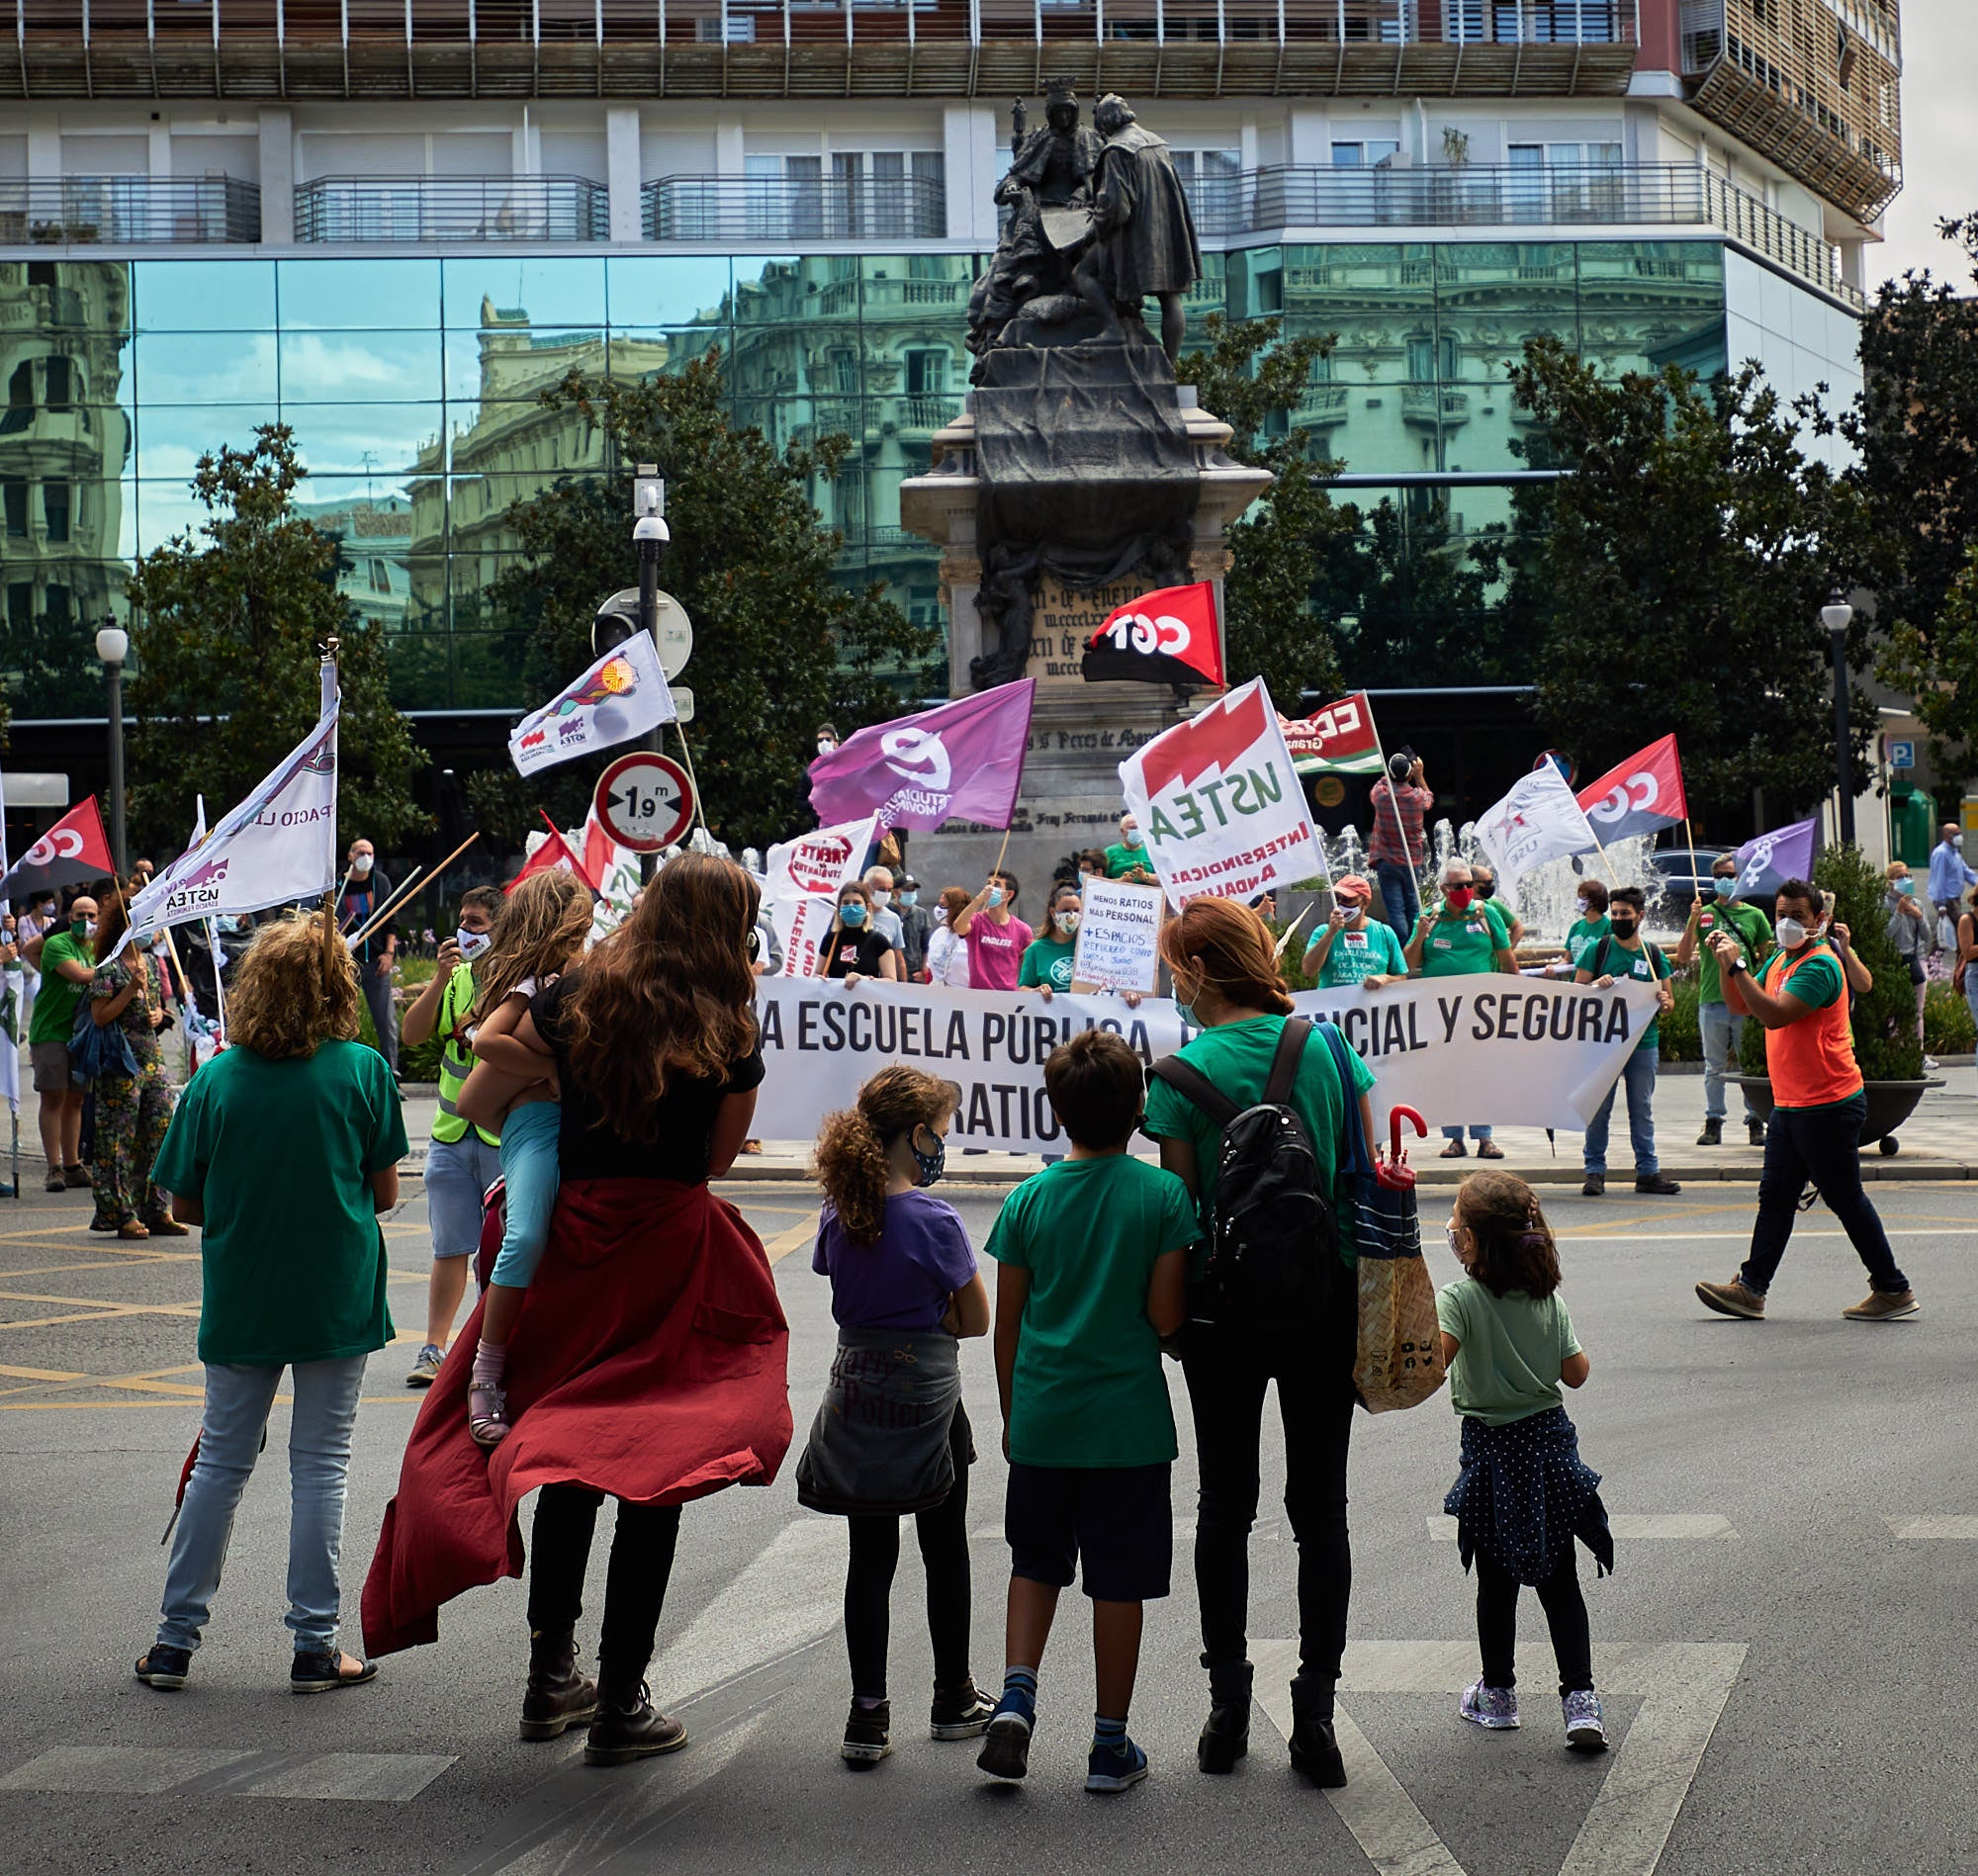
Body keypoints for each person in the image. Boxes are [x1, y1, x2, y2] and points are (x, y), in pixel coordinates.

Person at [363, 854, 791, 1766]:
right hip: (666, 1250)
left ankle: (550, 1673)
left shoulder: (573, 995)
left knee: (569, 1453)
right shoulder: (728, 1023)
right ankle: (621, 1695)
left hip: (574, 1241)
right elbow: (715, 1163)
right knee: (656, 1466)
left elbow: (482, 1064)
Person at [135, 913, 407, 1697]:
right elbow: (384, 1191)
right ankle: (315, 1646)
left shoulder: (219, 1075)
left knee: (220, 1463)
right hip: (335, 1292)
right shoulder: (361, 1069)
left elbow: (184, 1202)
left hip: (244, 1291)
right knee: (321, 1464)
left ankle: (174, 1640)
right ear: (336, 989)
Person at [1140, 898, 1377, 1789]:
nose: (1173, 983)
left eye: (1176, 966)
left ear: (1201, 969)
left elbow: (1181, 1213)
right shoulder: (1324, 1046)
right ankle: (1315, 1712)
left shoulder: (1175, 1076)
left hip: (1222, 1317)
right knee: (1322, 1511)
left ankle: (1226, 1706)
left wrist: (1173, 1321)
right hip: (1324, 1303)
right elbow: (1361, 1177)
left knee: (1224, 1506)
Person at [977, 1030, 1195, 1792]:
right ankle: (1109, 1744)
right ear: (1139, 1107)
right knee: (1118, 1582)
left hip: (1042, 1417)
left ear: (1055, 1109)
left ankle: (1015, 1694)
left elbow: (1009, 1324)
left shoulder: (1028, 1198)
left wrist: (1013, 1415)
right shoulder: (1163, 1196)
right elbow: (1166, 1316)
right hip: (1127, 1427)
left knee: (1034, 1564)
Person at [799, 1068, 993, 1764]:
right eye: (941, 1133)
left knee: (869, 1558)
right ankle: (953, 1695)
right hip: (931, 1407)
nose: (943, 1145)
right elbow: (975, 1316)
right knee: (946, 1549)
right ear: (915, 1134)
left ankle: (867, 1713)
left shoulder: (837, 1210)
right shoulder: (934, 1219)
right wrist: (933, 1312)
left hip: (856, 1401)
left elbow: (837, 1278)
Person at [1437, 1171, 1612, 1751]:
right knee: (1561, 1582)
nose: (1453, 1231)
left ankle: (1500, 1694)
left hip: (1491, 1452)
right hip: (1551, 1447)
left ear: (1476, 1241)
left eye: (1459, 1224)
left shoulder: (1460, 1299)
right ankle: (1580, 1702)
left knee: (1497, 1581)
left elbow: (1436, 1361)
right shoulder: (1547, 1298)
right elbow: (1576, 1373)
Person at [1696, 877, 1919, 1323]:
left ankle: (1893, 1288)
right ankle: (1751, 1288)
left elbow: (1775, 1016)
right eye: (1781, 914)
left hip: (1828, 1105)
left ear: (1819, 920)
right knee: (1776, 1196)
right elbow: (1741, 1005)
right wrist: (1726, 964)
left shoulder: (1819, 966)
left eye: (1797, 915)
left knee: (1845, 1197)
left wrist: (1738, 965)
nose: (1786, 923)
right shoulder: (1780, 959)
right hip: (1792, 1104)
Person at [449, 871, 594, 1448]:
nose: (589, 922)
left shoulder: (574, 973)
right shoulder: (534, 980)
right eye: (581, 913)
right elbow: (483, 1040)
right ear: (558, 920)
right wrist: (544, 1070)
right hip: (537, 1125)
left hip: (565, 1125)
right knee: (529, 1236)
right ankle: (486, 1372)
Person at [399, 886, 505, 1387]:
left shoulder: (515, 982)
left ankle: (489, 1348)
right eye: (463, 920)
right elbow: (412, 1034)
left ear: (500, 929)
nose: (465, 930)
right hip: (450, 1135)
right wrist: (440, 977)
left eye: (477, 922)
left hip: (500, 1137)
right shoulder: (457, 979)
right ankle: (434, 1348)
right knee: (449, 1249)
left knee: (499, 1248)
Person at [1573, 886, 1679, 1198]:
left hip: (1642, 1043)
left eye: (1625, 914)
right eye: (1615, 913)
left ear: (1640, 916)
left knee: (1641, 1108)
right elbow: (1575, 993)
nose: (1618, 919)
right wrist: (1596, 984)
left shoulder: (1653, 954)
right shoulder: (1598, 949)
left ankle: (1648, 1171)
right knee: (1598, 1110)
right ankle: (1594, 1172)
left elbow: (1670, 1003)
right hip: (1603, 1044)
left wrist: (1663, 1001)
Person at [87, 888, 180, 1240]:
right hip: (120, 1062)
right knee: (117, 1138)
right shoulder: (107, 967)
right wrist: (130, 990)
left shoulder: (149, 962)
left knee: (158, 1128)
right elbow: (100, 1017)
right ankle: (120, 1211)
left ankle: (155, 1207)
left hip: (151, 1059)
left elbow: (153, 1011)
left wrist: (160, 1015)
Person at [1407, 858, 1514, 1159]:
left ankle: (1485, 1138)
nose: (1466, 890)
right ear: (1443, 888)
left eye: (1469, 884)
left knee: (1480, 1074)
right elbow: (1408, 965)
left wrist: (1520, 997)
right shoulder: (1429, 917)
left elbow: (1508, 960)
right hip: (1439, 1012)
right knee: (1448, 1075)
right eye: (1459, 886)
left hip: (1481, 1012)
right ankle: (1454, 1138)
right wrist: (1420, 934)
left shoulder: (1487, 914)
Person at [1673, 856, 1772, 1146]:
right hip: (1712, 999)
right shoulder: (1704, 914)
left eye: (1729, 874)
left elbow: (1763, 959)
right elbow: (1682, 956)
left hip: (1746, 1001)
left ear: (1740, 877)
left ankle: (1755, 1120)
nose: (1724, 879)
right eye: (1719, 875)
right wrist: (1692, 920)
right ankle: (1713, 1120)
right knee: (1713, 1067)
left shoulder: (1755, 916)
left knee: (1748, 1064)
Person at [23, 889, 96, 1193]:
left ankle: (72, 1164)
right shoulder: (56, 944)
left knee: (76, 1099)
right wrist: (113, 971)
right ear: (69, 918)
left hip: (79, 1035)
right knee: (54, 1097)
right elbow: (79, 975)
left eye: (92, 916)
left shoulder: (97, 948)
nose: (87, 921)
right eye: (80, 915)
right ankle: (53, 1167)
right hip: (51, 1032)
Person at [336, 840, 401, 1075]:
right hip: (346, 964)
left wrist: (388, 953)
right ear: (351, 855)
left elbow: (392, 921)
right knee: (343, 1020)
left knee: (386, 1022)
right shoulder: (337, 885)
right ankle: (345, 1074)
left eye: (370, 853)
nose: (366, 857)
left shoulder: (380, 882)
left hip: (376, 962)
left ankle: (391, 1075)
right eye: (361, 852)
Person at [1302, 873, 1408, 989]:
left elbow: (1402, 978)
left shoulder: (1385, 933)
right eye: (1337, 898)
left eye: (1347, 900)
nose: (1341, 904)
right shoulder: (1322, 931)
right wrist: (1330, 934)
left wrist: (1386, 979)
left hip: (1370, 1005)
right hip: (1333, 1005)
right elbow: (1308, 970)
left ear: (1365, 903)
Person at [1368, 751, 1433, 938]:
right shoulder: (1417, 797)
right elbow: (1429, 798)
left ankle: (1403, 953)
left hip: (1387, 861)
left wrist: (1394, 770)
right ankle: (1415, 949)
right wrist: (1419, 776)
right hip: (1412, 862)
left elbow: (1382, 782)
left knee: (1395, 910)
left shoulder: (1380, 795)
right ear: (1409, 774)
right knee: (1414, 909)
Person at [1882, 859, 1936, 1069]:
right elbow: (1885, 935)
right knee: (1893, 1012)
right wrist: (1899, 912)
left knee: (1917, 1011)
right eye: (1899, 877)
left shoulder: (1917, 903)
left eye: (1907, 876)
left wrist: (1919, 916)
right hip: (1892, 961)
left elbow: (1926, 935)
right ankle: (1894, 1053)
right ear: (1890, 882)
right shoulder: (1885, 904)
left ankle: (1918, 1054)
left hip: (1914, 958)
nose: (1905, 880)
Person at [951, 870, 1033, 993]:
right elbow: (958, 927)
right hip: (979, 997)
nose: (989, 888)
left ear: (1009, 894)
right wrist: (978, 900)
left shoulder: (1023, 930)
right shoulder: (976, 921)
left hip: (1007, 997)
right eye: (988, 883)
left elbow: (1027, 966)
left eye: (996, 885)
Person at [825, 882, 902, 984]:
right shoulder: (831, 938)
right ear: (839, 907)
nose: (851, 907)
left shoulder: (879, 941)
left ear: (867, 907)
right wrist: (819, 979)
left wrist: (864, 979)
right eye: (846, 902)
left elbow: (891, 981)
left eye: (857, 903)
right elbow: (818, 974)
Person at [1020, 883, 1083, 998]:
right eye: (1065, 911)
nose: (1071, 915)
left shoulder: (1087, 946)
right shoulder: (1036, 949)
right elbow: (1023, 989)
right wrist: (1036, 991)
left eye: (1076, 910)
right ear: (1053, 912)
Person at [1549, 878, 1611, 980]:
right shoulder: (1576, 927)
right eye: (1579, 897)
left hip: (1596, 984)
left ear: (1595, 900)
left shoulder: (1609, 927)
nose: (1579, 901)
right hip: (1575, 983)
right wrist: (1554, 969)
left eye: (1583, 897)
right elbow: (1567, 959)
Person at [1927, 823, 1976, 936]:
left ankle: (1936, 953)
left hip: (1954, 898)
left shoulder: (1954, 852)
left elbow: (1966, 871)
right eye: (1956, 834)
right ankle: (1964, 952)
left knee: (1945, 931)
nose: (1960, 836)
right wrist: (1941, 904)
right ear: (1947, 835)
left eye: (1960, 833)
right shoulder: (1941, 853)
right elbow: (1938, 879)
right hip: (1947, 899)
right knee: (1960, 929)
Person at [926, 887, 973, 989]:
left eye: (943, 905)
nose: (938, 909)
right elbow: (931, 969)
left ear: (955, 908)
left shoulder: (971, 936)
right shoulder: (939, 934)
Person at [1470, 863, 1524, 951]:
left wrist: (1507, 952)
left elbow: (1518, 927)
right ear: (1472, 883)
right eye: (1487, 883)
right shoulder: (1456, 906)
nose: (1491, 886)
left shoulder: (1493, 903)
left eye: (1492, 881)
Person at [894, 874, 932, 979]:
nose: (910, 893)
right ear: (896, 892)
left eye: (913, 890)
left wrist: (924, 970)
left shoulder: (921, 913)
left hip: (915, 973)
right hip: (892, 971)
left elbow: (926, 945)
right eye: (906, 890)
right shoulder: (888, 912)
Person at [862, 865, 907, 955]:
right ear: (867, 887)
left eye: (889, 890)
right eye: (882, 889)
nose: (886, 893)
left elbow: (898, 955)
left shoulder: (893, 918)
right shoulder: (853, 914)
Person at [1104, 816, 1157, 885]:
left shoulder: (1151, 852)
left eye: (1139, 827)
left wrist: (1145, 876)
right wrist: (1120, 881)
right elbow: (1099, 882)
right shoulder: (1109, 852)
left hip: (1146, 894)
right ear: (1122, 831)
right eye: (1133, 828)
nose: (1137, 831)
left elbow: (1165, 881)